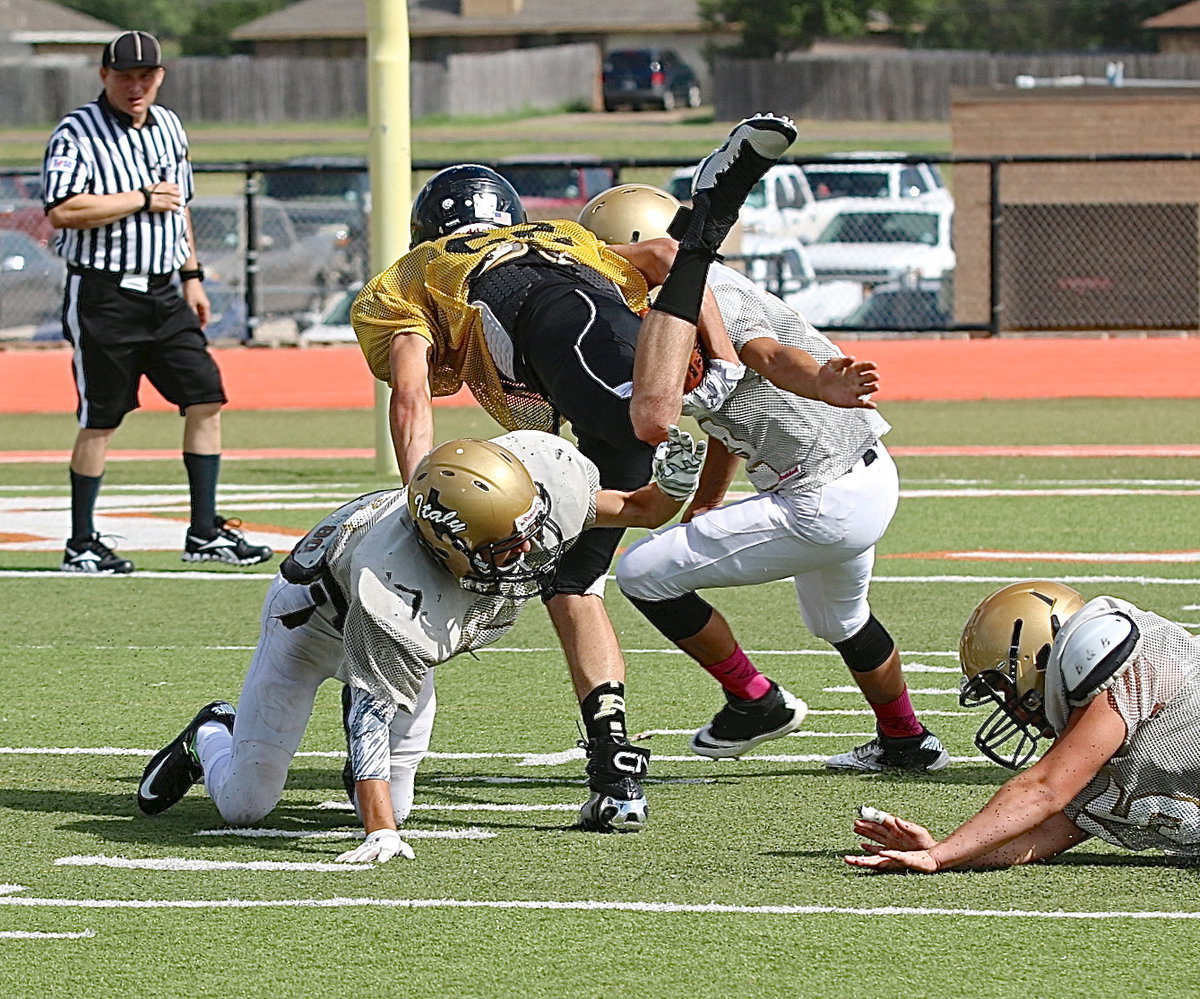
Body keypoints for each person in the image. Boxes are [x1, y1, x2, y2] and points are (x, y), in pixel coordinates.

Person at [350, 113, 798, 828]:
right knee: (582, 570)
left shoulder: (412, 276)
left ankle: (710, 210)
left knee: (645, 420)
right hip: (594, 356)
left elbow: (411, 397)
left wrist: (419, 495)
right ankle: (613, 766)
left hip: (552, 320)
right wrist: (718, 355)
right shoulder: (566, 235)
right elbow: (656, 257)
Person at [136, 427, 707, 858]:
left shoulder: (526, 501)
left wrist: (674, 487)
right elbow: (370, 711)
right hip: (311, 628)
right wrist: (379, 831)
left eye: (528, 530)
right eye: (505, 546)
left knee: (399, 802)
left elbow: (635, 508)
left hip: (395, 640)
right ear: (448, 544)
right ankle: (210, 734)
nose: (527, 552)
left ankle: (364, 791)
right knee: (245, 806)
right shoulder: (396, 583)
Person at [577, 183, 948, 771]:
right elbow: (727, 415)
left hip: (822, 493)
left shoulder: (710, 290)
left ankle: (755, 700)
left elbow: (771, 358)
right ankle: (907, 741)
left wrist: (821, 382)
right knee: (841, 620)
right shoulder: (676, 308)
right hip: (862, 479)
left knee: (642, 573)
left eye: (604, 255)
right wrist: (708, 501)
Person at [41, 30, 271, 574]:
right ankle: (81, 542)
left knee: (205, 397)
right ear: (104, 76)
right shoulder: (78, 131)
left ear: (161, 77)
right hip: (103, 291)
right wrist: (138, 198)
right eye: (125, 76)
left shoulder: (169, 127)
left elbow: (179, 208)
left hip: (164, 290)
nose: (136, 86)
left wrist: (192, 275)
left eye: (146, 76)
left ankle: (205, 530)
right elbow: (62, 209)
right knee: (102, 416)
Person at [845, 580, 1200, 872]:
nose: (1011, 705)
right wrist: (949, 850)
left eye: (1003, 686)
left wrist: (939, 856)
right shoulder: (1107, 748)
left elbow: (1045, 789)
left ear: (1039, 655)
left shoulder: (1124, 666)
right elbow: (1043, 830)